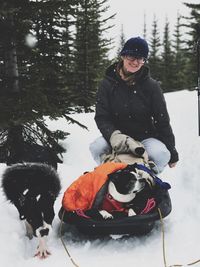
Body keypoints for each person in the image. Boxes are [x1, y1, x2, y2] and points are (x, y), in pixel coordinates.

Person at [89, 36, 179, 174]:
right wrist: (113, 135)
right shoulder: (107, 84)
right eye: (131, 56)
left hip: (145, 137)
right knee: (97, 147)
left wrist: (172, 150)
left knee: (162, 154)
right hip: (117, 136)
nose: (135, 62)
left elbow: (162, 120)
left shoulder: (152, 86)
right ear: (123, 56)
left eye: (141, 58)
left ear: (144, 61)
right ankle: (109, 173)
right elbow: (102, 117)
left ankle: (148, 178)